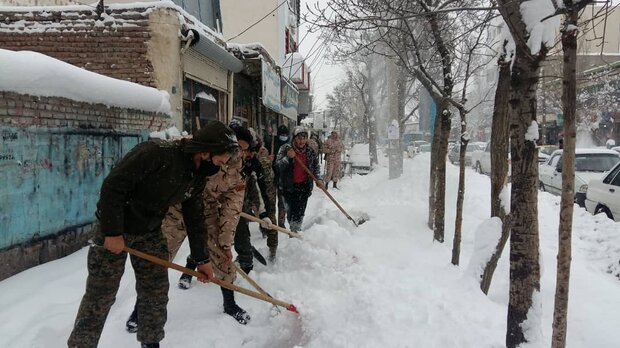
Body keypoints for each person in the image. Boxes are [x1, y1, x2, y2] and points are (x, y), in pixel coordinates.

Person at [68, 121, 239, 348]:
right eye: (222, 158)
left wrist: (202, 259)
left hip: (149, 230)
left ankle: (151, 343)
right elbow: (112, 186)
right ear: (207, 150)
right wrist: (112, 232)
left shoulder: (197, 174)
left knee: (155, 293)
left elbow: (194, 217)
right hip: (115, 228)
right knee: (100, 295)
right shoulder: (156, 153)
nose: (223, 165)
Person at [125, 137, 248, 332]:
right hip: (176, 210)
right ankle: (140, 310)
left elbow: (230, 212)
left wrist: (225, 244)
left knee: (223, 261)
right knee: (158, 261)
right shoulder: (202, 150)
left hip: (205, 215)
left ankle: (230, 304)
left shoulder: (236, 178)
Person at [275, 126, 324, 232]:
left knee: (299, 214)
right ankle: (294, 231)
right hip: (288, 188)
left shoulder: (310, 151)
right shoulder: (285, 149)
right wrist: (288, 157)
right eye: (299, 138)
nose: (301, 141)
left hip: (304, 187)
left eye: (304, 138)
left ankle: (295, 233)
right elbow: (278, 166)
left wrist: (319, 179)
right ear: (294, 138)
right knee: (290, 214)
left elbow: (315, 167)